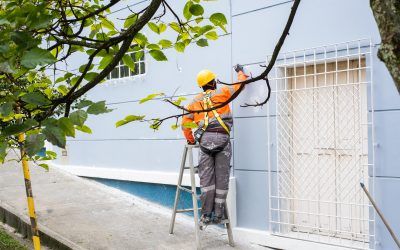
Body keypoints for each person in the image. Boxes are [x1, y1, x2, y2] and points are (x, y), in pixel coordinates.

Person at [181, 65, 248, 226]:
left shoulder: (194, 101)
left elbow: (185, 123)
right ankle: (218, 215)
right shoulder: (222, 92)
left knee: (206, 180)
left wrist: (190, 140)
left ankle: (205, 215)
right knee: (222, 178)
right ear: (212, 83)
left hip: (204, 142)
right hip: (223, 139)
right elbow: (240, 85)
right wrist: (240, 72)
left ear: (201, 85)